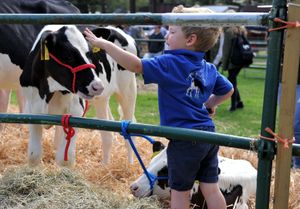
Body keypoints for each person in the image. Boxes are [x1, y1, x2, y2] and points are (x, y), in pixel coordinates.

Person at [84, 4, 233, 209]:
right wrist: (211, 103)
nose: (166, 36)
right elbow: (228, 89)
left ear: (190, 40)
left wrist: (104, 44)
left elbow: (135, 65)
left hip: (184, 139)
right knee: (211, 189)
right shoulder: (208, 68)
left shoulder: (169, 62)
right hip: (209, 135)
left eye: (172, 32)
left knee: (180, 192)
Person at [222, 25, 248, 111]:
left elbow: (226, 49)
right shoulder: (242, 30)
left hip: (233, 61)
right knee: (232, 80)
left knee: (231, 82)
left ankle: (233, 106)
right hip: (241, 59)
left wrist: (224, 65)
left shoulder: (229, 32)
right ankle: (239, 102)